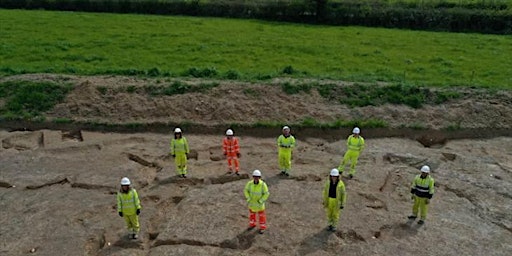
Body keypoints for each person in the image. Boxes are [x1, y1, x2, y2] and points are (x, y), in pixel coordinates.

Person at [244, 170, 270, 234]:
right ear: (253, 177)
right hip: (252, 204)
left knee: (261, 216)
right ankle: (252, 224)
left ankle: (262, 228)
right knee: (252, 215)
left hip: (259, 205)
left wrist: (261, 201)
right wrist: (248, 198)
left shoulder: (263, 185)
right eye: (255, 176)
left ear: (260, 177)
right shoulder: (249, 184)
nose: (256, 178)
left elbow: (266, 194)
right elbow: (246, 190)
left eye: (257, 177)